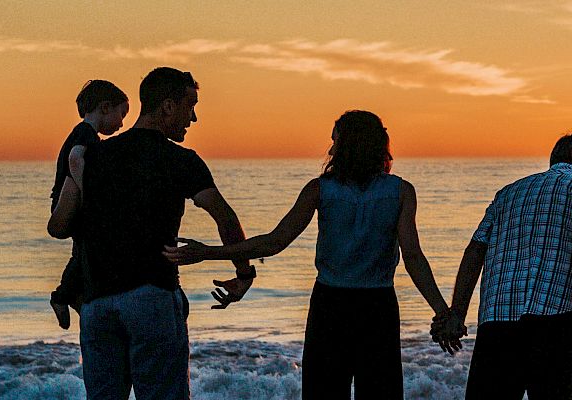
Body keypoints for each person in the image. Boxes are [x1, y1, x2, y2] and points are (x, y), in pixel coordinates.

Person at [162, 110, 457, 398]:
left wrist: (207, 252)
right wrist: (443, 312)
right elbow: (414, 258)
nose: (330, 148)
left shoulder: (320, 189)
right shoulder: (401, 191)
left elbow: (273, 243)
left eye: (335, 141)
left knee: (323, 391)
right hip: (378, 307)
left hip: (330, 306)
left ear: (348, 145)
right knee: (380, 390)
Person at [47, 67, 257, 400]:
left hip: (97, 305)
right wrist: (244, 273)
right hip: (152, 299)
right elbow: (225, 217)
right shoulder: (181, 160)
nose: (195, 117)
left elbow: (59, 226)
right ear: (168, 107)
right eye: (190, 106)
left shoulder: (92, 156)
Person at [440, 132, 572, 400]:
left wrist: (457, 313)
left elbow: (475, 250)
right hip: (558, 319)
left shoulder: (508, 193)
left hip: (496, 323)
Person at [49, 79, 130, 330]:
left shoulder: (85, 133)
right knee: (84, 249)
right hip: (70, 202)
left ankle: (71, 295)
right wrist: (89, 192)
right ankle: (62, 296)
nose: (121, 123)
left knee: (83, 250)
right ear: (105, 108)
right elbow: (75, 159)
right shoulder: (85, 133)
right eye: (121, 114)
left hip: (72, 201)